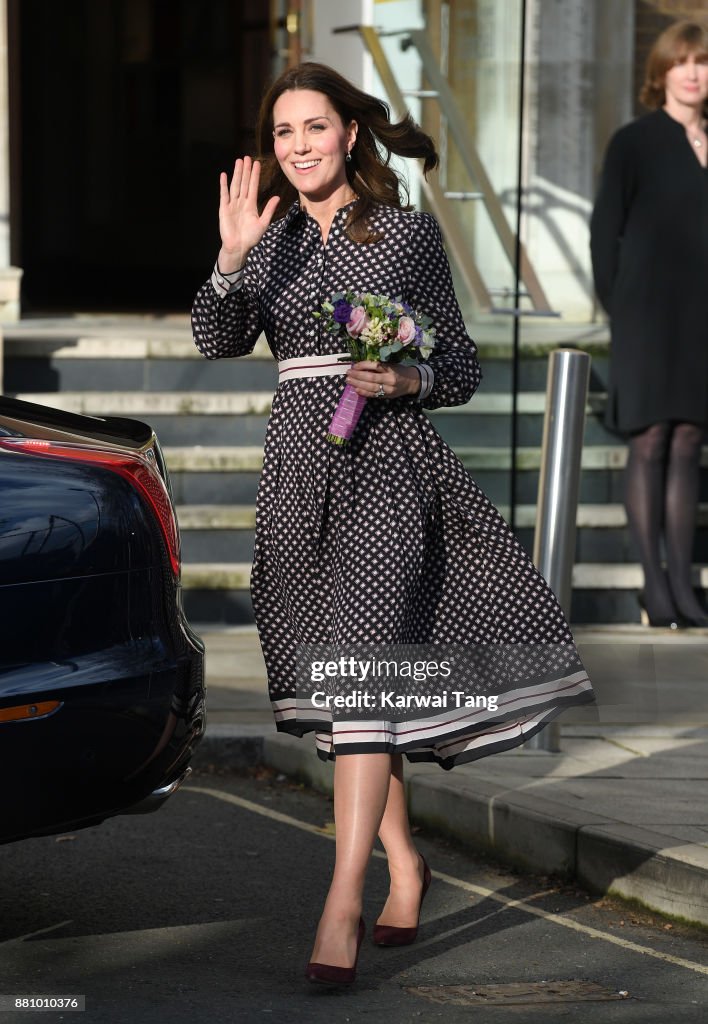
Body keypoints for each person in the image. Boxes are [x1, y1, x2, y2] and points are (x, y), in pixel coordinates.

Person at [192, 61, 593, 986]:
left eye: (315, 128)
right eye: (284, 132)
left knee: (367, 676)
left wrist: (406, 378)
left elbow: (456, 362)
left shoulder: (406, 234)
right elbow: (215, 341)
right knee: (351, 685)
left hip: (387, 469)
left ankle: (341, 901)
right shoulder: (267, 238)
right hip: (297, 474)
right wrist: (229, 260)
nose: (298, 147)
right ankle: (405, 862)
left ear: (351, 134)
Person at [590, 19, 708, 629]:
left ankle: (684, 587)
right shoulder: (634, 141)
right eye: (681, 62)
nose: (692, 73)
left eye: (702, 62)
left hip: (701, 320)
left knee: (689, 440)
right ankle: (653, 586)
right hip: (645, 316)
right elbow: (604, 232)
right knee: (651, 439)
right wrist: (621, 309)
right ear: (660, 72)